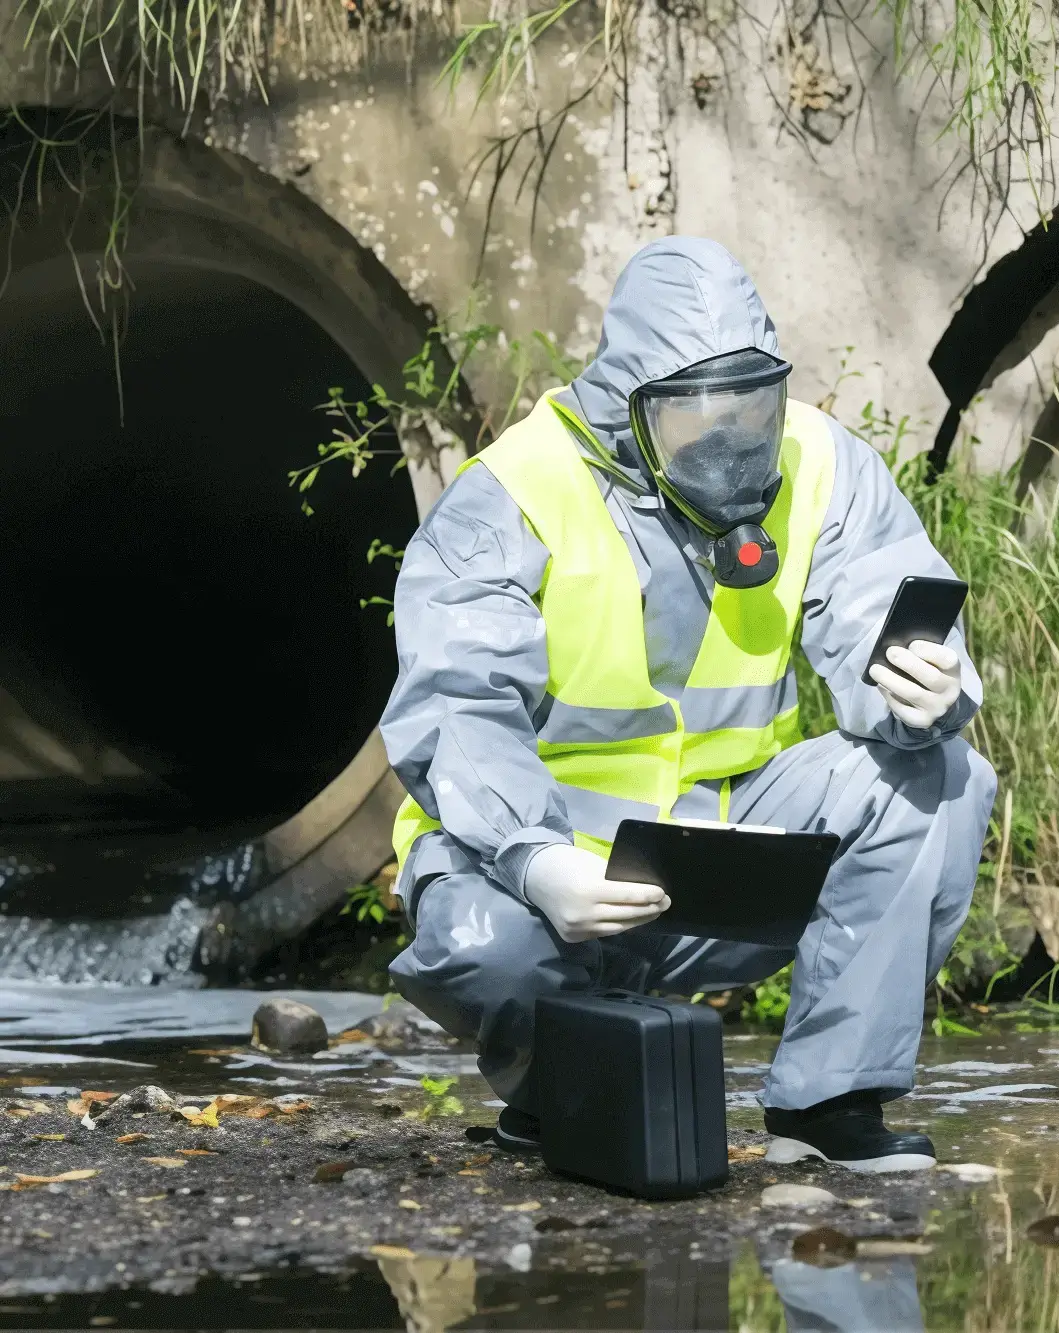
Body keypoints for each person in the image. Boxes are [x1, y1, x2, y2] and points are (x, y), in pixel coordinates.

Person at [379, 237, 995, 1173]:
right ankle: (556, 1093)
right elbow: (457, 706)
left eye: (750, 404)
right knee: (481, 946)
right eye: (694, 412)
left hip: (711, 847)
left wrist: (927, 682)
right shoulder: (513, 493)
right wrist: (536, 859)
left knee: (942, 774)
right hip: (540, 863)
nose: (730, 436)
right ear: (633, 406)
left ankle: (828, 1106)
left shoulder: (819, 462)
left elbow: (880, 599)